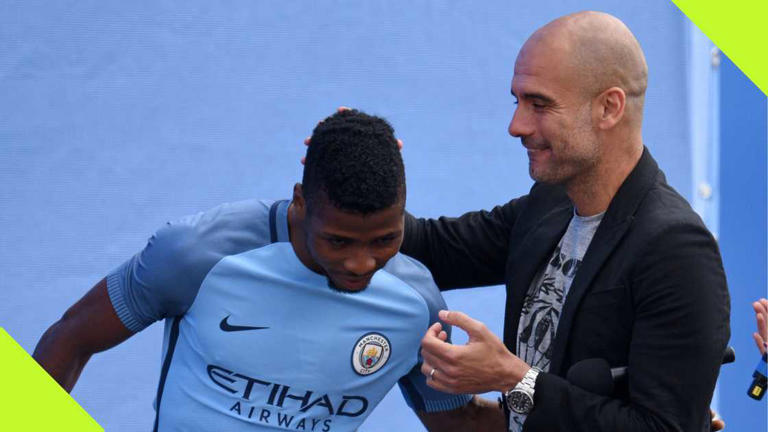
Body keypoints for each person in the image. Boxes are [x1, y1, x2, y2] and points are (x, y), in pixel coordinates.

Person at [33, 110, 503, 431]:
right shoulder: (197, 256)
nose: (362, 263)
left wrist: (529, 386)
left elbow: (459, 425)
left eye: (384, 240)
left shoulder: (415, 304)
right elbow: (71, 338)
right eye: (338, 241)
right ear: (300, 202)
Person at [400, 11, 731, 432]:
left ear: (609, 107)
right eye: (516, 101)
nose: (515, 126)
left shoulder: (676, 250)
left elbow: (662, 428)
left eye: (539, 104)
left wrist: (510, 377)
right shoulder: (549, 204)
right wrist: (362, 174)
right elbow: (429, 249)